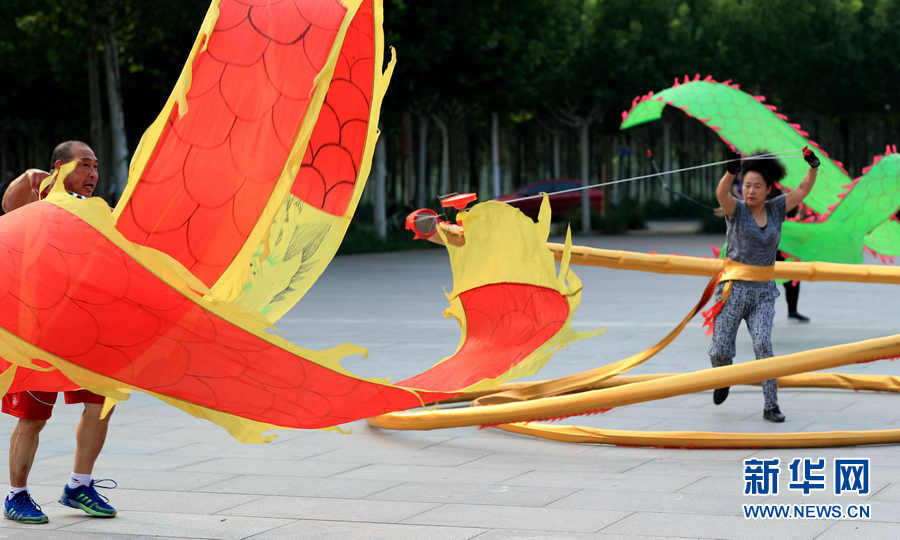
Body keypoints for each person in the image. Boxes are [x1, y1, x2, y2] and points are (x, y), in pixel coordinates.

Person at [1, 141, 117, 524]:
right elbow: (11, 202)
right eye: (84, 165)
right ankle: (16, 495)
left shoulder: (99, 212)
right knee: (33, 417)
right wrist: (42, 180)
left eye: (96, 167)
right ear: (60, 168)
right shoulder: (37, 197)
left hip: (84, 328)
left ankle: (78, 485)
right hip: (37, 329)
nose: (93, 174)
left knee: (101, 405)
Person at [709, 147, 819, 423]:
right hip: (732, 292)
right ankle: (723, 378)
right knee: (720, 350)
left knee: (763, 345)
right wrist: (731, 171)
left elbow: (803, 190)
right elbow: (722, 195)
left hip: (763, 294)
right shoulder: (737, 209)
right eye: (746, 186)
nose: (751, 191)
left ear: (769, 188)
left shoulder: (777, 208)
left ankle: (771, 405)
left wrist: (813, 167)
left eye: (757, 186)